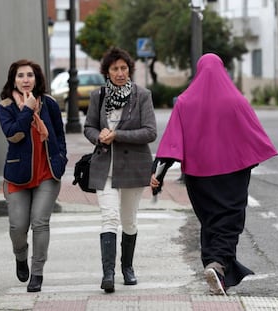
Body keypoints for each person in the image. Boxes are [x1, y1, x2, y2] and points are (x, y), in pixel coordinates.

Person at [150, 53, 278, 295]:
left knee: (210, 220)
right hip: (233, 174)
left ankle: (214, 267)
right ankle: (217, 265)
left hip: (199, 177)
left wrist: (159, 171)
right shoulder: (236, 100)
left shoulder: (185, 101)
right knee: (229, 221)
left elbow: (172, 142)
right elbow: (253, 135)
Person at [84, 47, 157, 293]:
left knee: (129, 220)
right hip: (105, 167)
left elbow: (150, 131)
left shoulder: (142, 95)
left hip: (133, 167)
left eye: (123, 68)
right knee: (109, 217)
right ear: (107, 71)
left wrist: (117, 135)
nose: (120, 72)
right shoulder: (98, 95)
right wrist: (99, 136)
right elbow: (89, 127)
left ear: (129, 70)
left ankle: (127, 267)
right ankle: (108, 274)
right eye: (114, 68)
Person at [0, 59, 68, 292]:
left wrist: (61, 159)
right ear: (13, 80)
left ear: (36, 79)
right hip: (18, 174)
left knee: (40, 222)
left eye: (30, 75)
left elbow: (59, 133)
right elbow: (14, 135)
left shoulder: (49, 103)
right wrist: (27, 109)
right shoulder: (5, 106)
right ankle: (20, 256)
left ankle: (37, 273)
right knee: (18, 227)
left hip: (47, 173)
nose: (25, 79)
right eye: (20, 75)